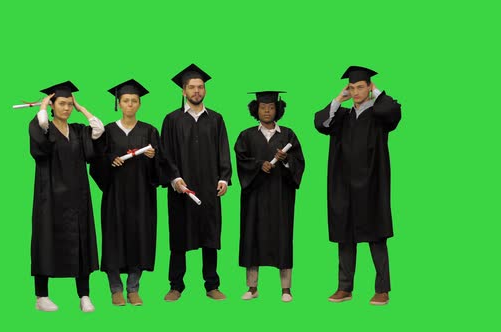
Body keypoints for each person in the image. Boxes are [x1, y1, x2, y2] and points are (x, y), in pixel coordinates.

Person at [314, 66, 401, 305]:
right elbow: (320, 124)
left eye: (360, 87)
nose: (355, 92)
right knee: (345, 235)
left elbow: (394, 111)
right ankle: (345, 288)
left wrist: (376, 93)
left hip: (372, 183)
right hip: (343, 184)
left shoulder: (379, 114)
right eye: (351, 88)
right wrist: (337, 99)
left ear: (369, 87)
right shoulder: (341, 116)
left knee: (377, 235)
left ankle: (382, 289)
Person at [29, 81, 104, 312]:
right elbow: (40, 138)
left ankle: (84, 295)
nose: (67, 108)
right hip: (50, 198)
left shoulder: (80, 131)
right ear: (52, 105)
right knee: (46, 240)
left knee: (81, 242)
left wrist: (83, 109)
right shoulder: (43, 127)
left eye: (70, 104)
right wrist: (42, 107)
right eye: (62, 103)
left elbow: (99, 130)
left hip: (77, 198)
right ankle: (42, 296)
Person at [160, 64, 232, 302]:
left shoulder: (216, 119)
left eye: (200, 87)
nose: (197, 91)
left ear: (205, 90)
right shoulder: (171, 119)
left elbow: (224, 150)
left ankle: (212, 285)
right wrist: (174, 177)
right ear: (183, 91)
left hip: (209, 187)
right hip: (182, 189)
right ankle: (175, 285)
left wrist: (224, 177)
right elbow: (165, 153)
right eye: (191, 87)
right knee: (179, 235)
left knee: (210, 235)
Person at [89, 79, 160, 306]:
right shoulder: (108, 131)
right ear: (118, 103)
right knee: (113, 240)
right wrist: (110, 160)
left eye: (134, 101)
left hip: (142, 196)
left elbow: (163, 166)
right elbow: (96, 162)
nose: (130, 104)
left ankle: (134, 289)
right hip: (115, 196)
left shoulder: (149, 131)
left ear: (139, 104)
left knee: (139, 238)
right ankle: (116, 289)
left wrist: (154, 158)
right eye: (126, 101)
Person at [234, 91, 305, 302]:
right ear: (255, 109)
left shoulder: (288, 135)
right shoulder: (246, 135)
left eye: (271, 107)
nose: (267, 111)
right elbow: (241, 160)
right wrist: (258, 165)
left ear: (278, 109)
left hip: (280, 195)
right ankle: (252, 287)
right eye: (263, 107)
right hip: (254, 196)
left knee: (281, 237)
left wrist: (284, 161)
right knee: (251, 238)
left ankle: (286, 289)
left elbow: (299, 162)